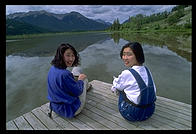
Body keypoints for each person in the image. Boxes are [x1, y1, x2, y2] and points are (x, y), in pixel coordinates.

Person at [111, 42, 157, 121]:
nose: (125, 58)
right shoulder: (147, 69)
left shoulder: (127, 73)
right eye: (124, 54)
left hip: (132, 114)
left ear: (138, 55)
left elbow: (118, 86)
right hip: (150, 111)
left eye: (129, 54)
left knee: (118, 88)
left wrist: (115, 84)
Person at [47, 43, 90, 118]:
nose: (71, 59)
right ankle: (87, 86)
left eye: (73, 55)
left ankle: (83, 85)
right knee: (84, 79)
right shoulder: (65, 74)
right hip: (69, 110)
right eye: (68, 55)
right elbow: (78, 92)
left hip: (55, 106)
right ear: (61, 56)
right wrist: (80, 80)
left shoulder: (52, 68)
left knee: (76, 69)